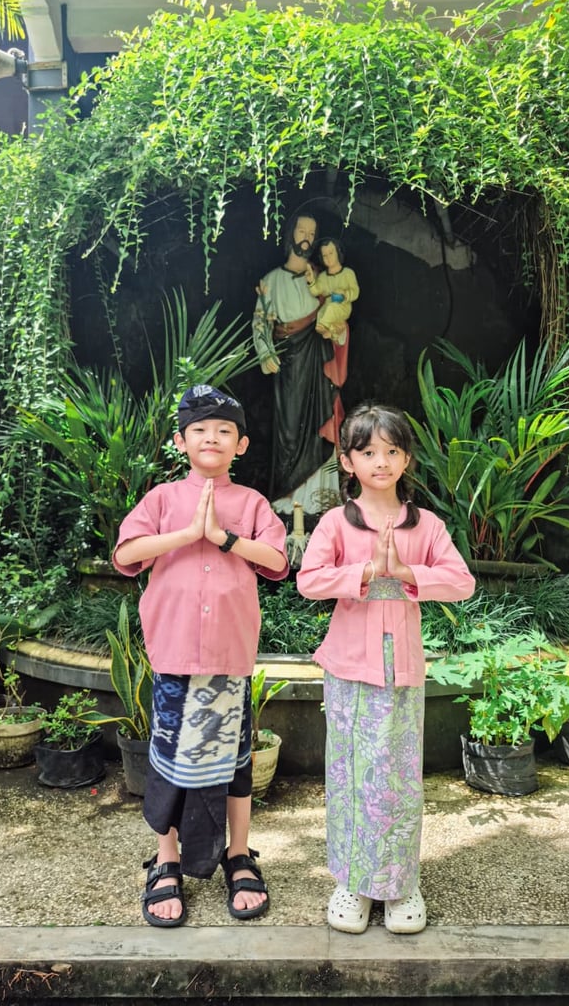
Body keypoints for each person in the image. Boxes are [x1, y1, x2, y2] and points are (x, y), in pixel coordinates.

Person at [112, 384, 289, 928]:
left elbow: (277, 562)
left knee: (235, 764)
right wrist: (188, 534)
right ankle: (166, 859)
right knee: (167, 764)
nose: (211, 438)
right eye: (200, 431)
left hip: (229, 657)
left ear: (241, 445)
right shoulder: (162, 499)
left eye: (224, 432)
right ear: (180, 440)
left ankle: (239, 854)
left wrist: (224, 537)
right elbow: (125, 553)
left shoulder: (253, 503)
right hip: (174, 653)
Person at [296, 403, 475, 934]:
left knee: (398, 780)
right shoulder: (336, 522)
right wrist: (366, 571)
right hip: (349, 668)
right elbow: (309, 580)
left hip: (403, 671)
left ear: (406, 459)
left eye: (391, 451)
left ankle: (400, 884)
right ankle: (351, 881)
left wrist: (405, 571)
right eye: (368, 451)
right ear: (347, 461)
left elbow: (462, 583)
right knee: (350, 775)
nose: (381, 461)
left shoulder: (426, 525)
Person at [252, 214, 349, 514]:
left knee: (322, 423)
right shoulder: (271, 281)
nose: (306, 237)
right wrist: (265, 352)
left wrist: (338, 331)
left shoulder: (321, 281)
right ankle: (286, 501)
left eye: (312, 232)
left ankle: (322, 501)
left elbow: (339, 317)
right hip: (291, 366)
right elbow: (260, 324)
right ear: (289, 234)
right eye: (301, 230)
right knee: (289, 431)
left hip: (319, 365)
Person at [304, 238, 359, 346]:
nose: (328, 258)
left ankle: (324, 327)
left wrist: (345, 294)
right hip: (328, 305)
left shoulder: (348, 273)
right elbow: (316, 291)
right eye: (325, 255)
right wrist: (311, 281)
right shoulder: (323, 276)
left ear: (338, 252)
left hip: (343, 305)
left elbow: (355, 291)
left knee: (332, 308)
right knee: (321, 312)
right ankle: (332, 333)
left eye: (331, 253)